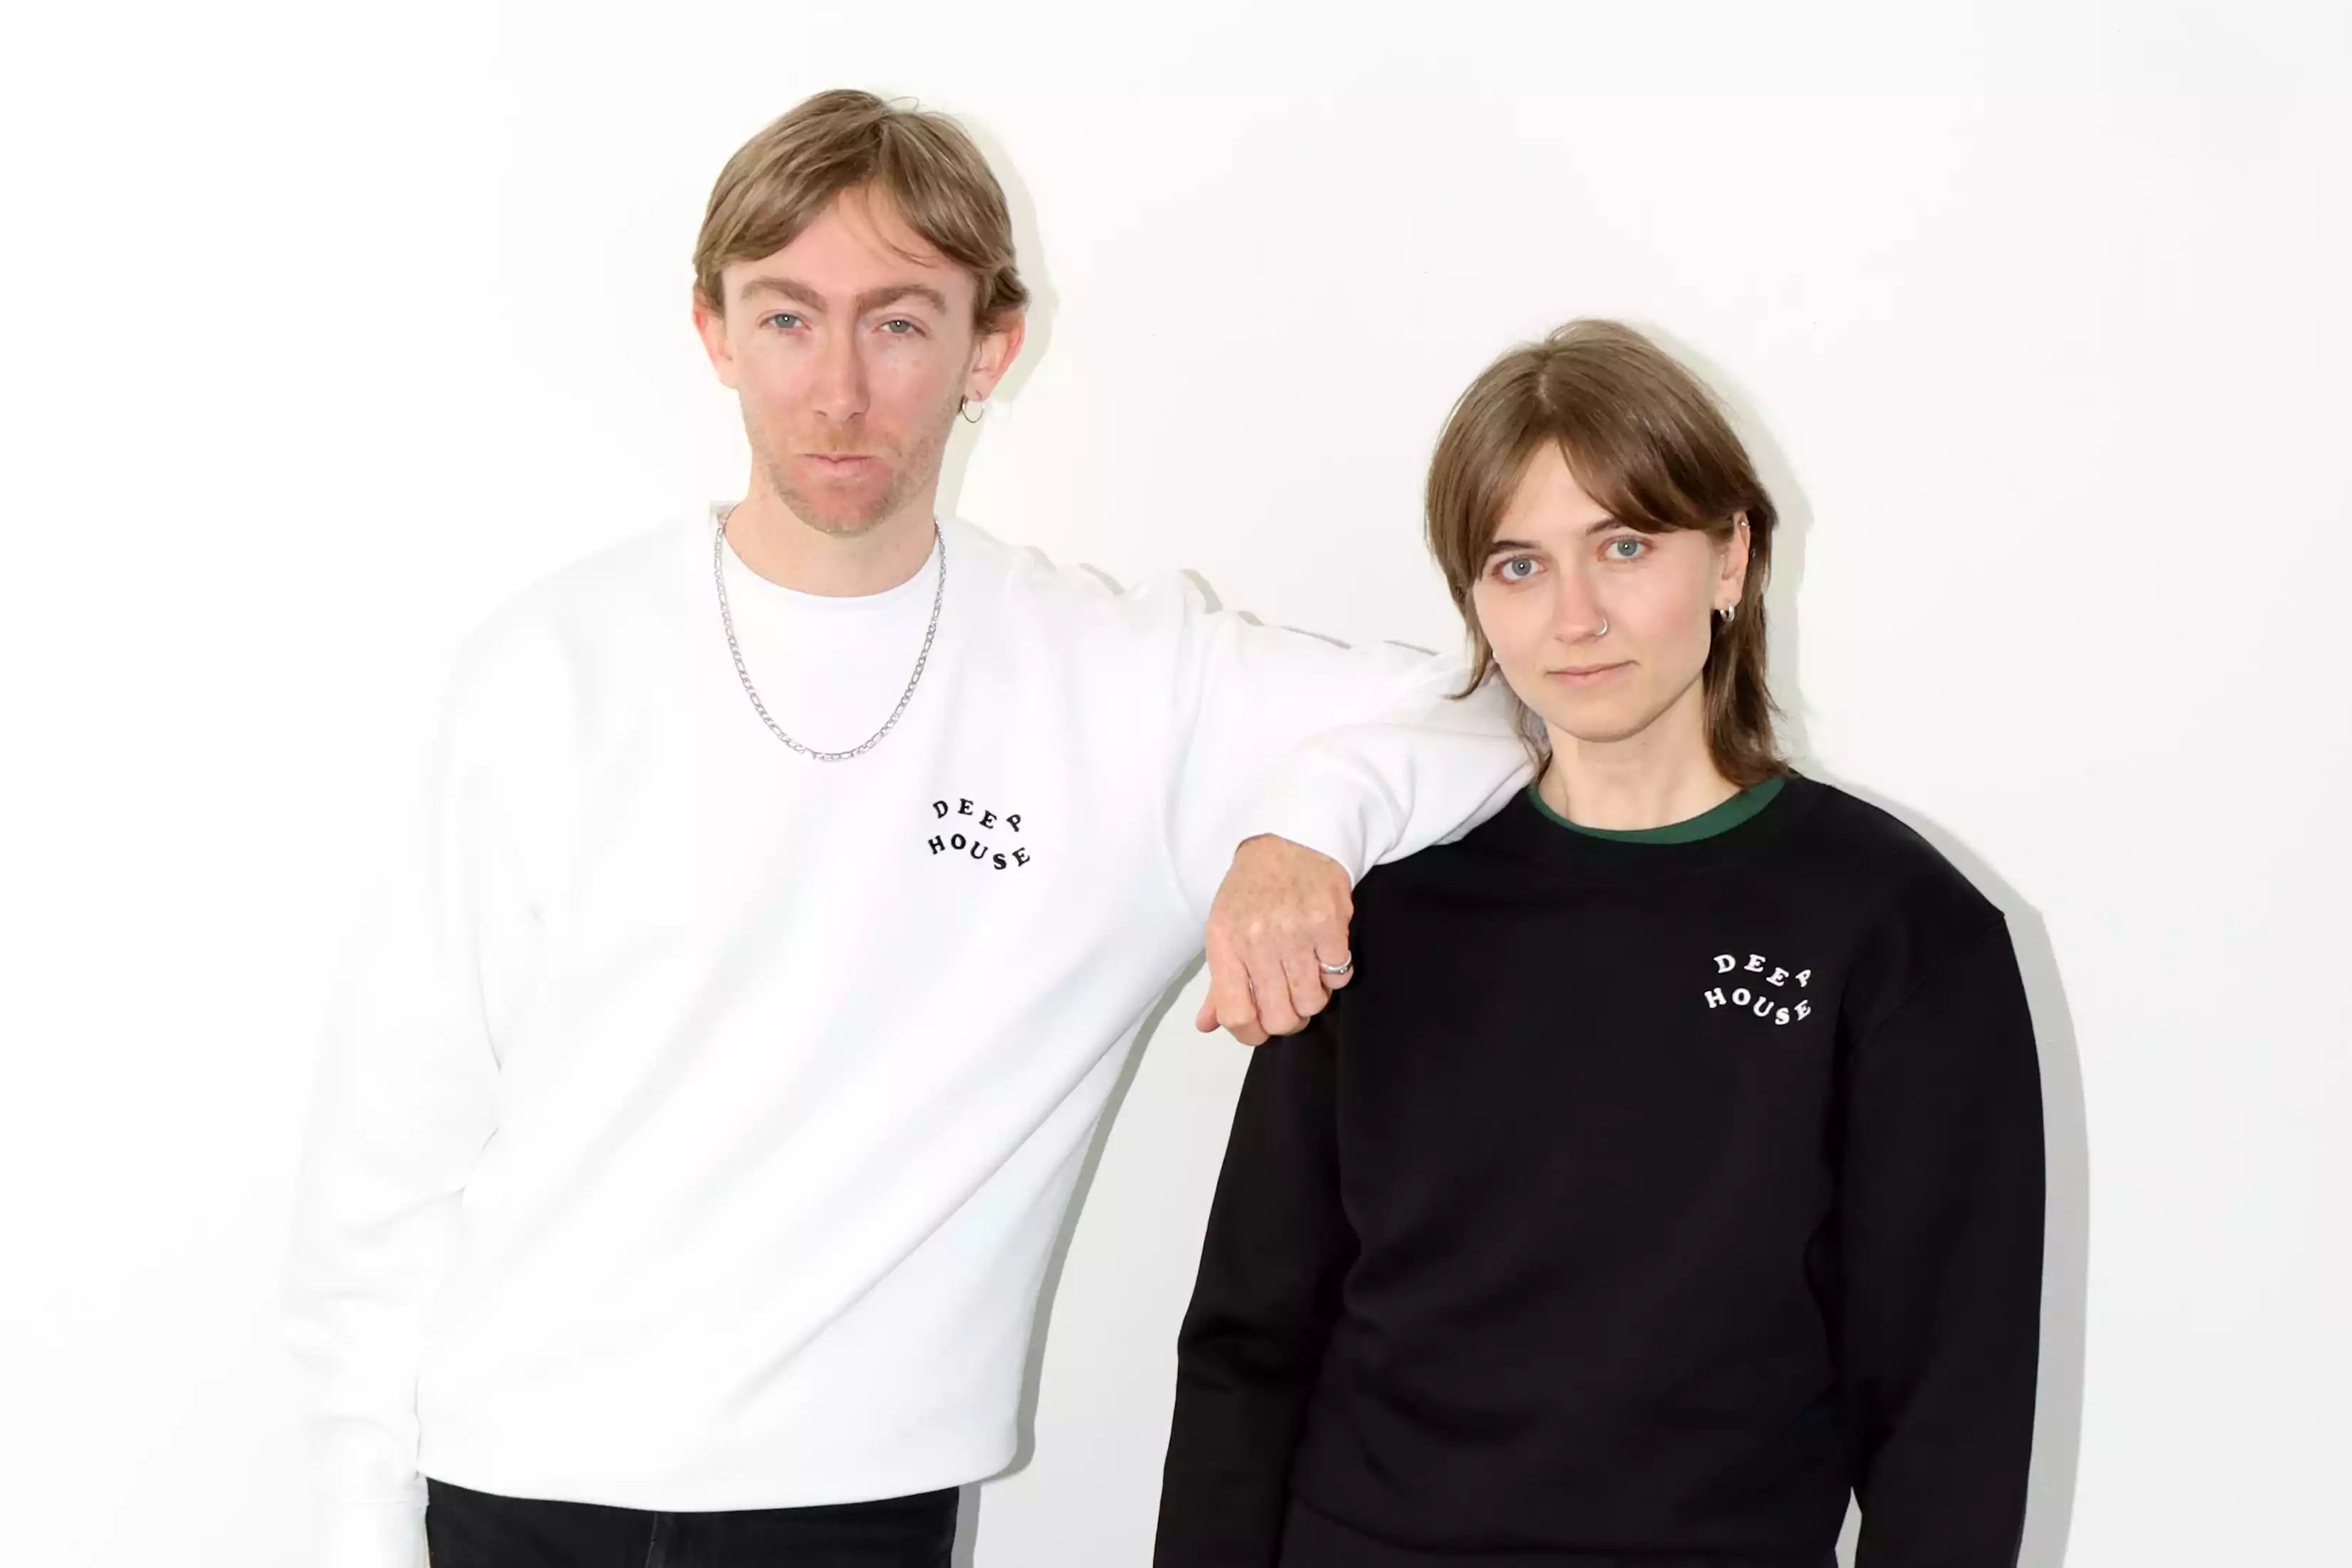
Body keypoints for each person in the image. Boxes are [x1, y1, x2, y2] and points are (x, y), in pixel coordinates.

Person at [282, 91, 1531, 1568]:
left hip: (860, 1502)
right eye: (788, 318)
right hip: (515, 1479)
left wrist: (1301, 830)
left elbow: (1493, 713)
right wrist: (357, 1518)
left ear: (988, 347)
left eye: (897, 323)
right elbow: (393, 1146)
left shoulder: (1121, 680)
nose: (838, 391)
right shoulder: (559, 664)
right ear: (714, 332)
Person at [1156, 319, 2047, 1568]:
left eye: (1624, 546)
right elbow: (1249, 1342)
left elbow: (1949, 1416)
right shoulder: (1382, 907)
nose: (1574, 617)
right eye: (1518, 565)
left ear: (1732, 556)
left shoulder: (1901, 932)